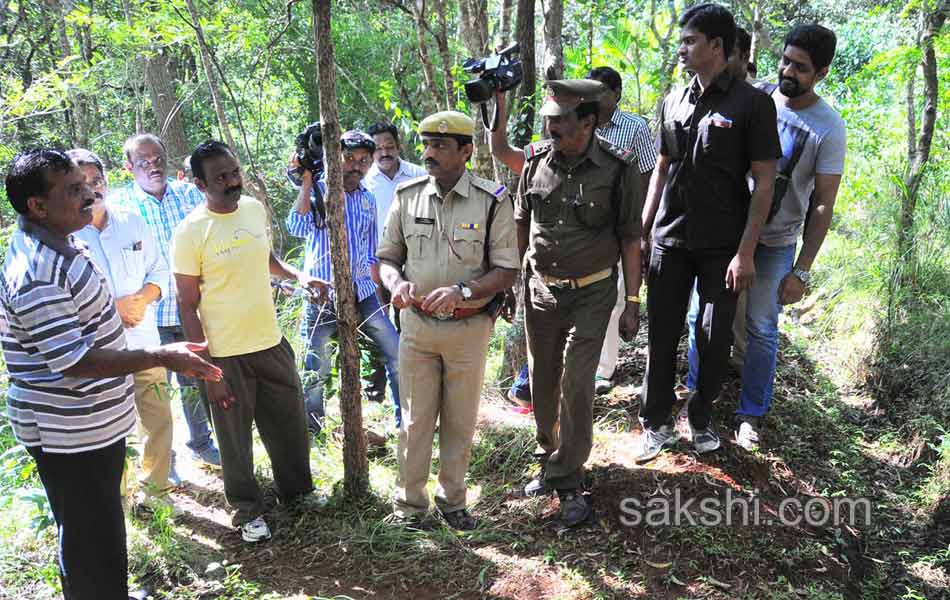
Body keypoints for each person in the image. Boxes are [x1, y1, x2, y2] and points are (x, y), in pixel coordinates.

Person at [0, 149, 220, 600]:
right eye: (73, 190)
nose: (89, 194)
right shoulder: (35, 271)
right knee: (86, 536)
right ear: (37, 206)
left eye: (87, 184)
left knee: (99, 527)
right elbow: (75, 361)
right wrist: (164, 355)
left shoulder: (65, 237)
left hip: (92, 424)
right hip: (68, 430)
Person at [684, 24, 846, 450]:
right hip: (725, 232)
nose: (787, 71)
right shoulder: (756, 98)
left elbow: (824, 204)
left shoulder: (829, 128)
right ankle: (695, 394)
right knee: (700, 314)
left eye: (801, 67)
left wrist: (802, 271)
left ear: (822, 72)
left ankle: (751, 413)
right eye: (786, 60)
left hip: (776, 241)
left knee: (761, 327)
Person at [634, 3, 780, 463]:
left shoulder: (752, 104)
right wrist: (642, 231)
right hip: (669, 239)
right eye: (682, 41)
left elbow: (765, 183)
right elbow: (660, 169)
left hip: (723, 246)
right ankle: (655, 421)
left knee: (714, 338)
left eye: (690, 41)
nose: (682, 49)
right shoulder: (674, 100)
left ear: (717, 46)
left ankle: (699, 418)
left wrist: (746, 252)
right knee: (661, 334)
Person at [172, 140, 326, 543]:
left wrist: (299, 276)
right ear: (200, 184)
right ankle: (247, 509)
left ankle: (298, 493)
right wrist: (206, 370)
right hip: (225, 355)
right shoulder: (190, 232)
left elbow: (267, 259)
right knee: (234, 440)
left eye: (234, 172)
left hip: (270, 343)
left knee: (289, 425)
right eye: (220, 177)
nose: (231, 182)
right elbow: (187, 307)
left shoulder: (254, 210)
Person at [377, 111, 518, 530]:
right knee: (415, 419)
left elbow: (507, 270)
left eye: (440, 145)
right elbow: (387, 259)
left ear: (466, 151)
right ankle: (409, 506)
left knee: (460, 419)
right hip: (417, 328)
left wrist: (464, 292)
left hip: (468, 329)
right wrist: (396, 282)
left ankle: (453, 501)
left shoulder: (492, 200)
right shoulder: (407, 195)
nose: (429, 153)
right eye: (426, 144)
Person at [516, 79, 643, 527]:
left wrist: (632, 300)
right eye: (547, 119)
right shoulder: (534, 163)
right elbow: (521, 224)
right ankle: (548, 453)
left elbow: (631, 237)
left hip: (593, 291)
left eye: (560, 121)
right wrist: (520, 281)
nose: (550, 127)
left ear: (587, 122)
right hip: (542, 291)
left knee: (577, 381)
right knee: (543, 378)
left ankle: (569, 475)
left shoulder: (617, 168)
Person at [68, 148, 179, 503]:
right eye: (80, 184)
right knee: (110, 430)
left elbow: (159, 269)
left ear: (107, 181)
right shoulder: (66, 238)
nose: (91, 190)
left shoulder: (131, 221)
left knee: (158, 419)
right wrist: (112, 310)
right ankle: (116, 501)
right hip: (100, 355)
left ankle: (156, 493)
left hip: (144, 343)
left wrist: (143, 299)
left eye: (96, 180)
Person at [111, 133, 221, 468]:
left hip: (192, 310)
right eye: (143, 162)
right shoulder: (121, 210)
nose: (153, 167)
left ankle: (202, 443)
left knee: (196, 380)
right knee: (154, 394)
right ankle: (163, 460)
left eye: (158, 158)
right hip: (149, 319)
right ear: (129, 167)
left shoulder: (190, 195)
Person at [286, 130, 402, 433]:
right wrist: (308, 180)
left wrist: (379, 294)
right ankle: (312, 434)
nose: (355, 166)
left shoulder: (367, 198)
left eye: (364, 161)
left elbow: (372, 252)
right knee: (316, 368)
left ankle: (406, 423)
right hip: (322, 294)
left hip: (363, 293)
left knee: (396, 352)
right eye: (349, 158)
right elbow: (296, 227)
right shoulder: (319, 191)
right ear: (335, 158)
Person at [586, 66, 658, 395]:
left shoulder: (634, 128)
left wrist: (640, 227)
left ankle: (603, 370)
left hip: (618, 225)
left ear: (616, 95)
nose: (595, 97)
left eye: (602, 91)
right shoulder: (578, 123)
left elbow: (647, 176)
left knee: (613, 297)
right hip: (581, 225)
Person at [362, 121, 426, 400]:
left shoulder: (419, 176)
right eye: (378, 148)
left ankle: (413, 388)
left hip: (411, 264)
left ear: (398, 146)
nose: (384, 152)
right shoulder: (363, 181)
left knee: (409, 324)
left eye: (389, 146)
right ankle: (374, 391)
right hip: (373, 265)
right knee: (374, 326)